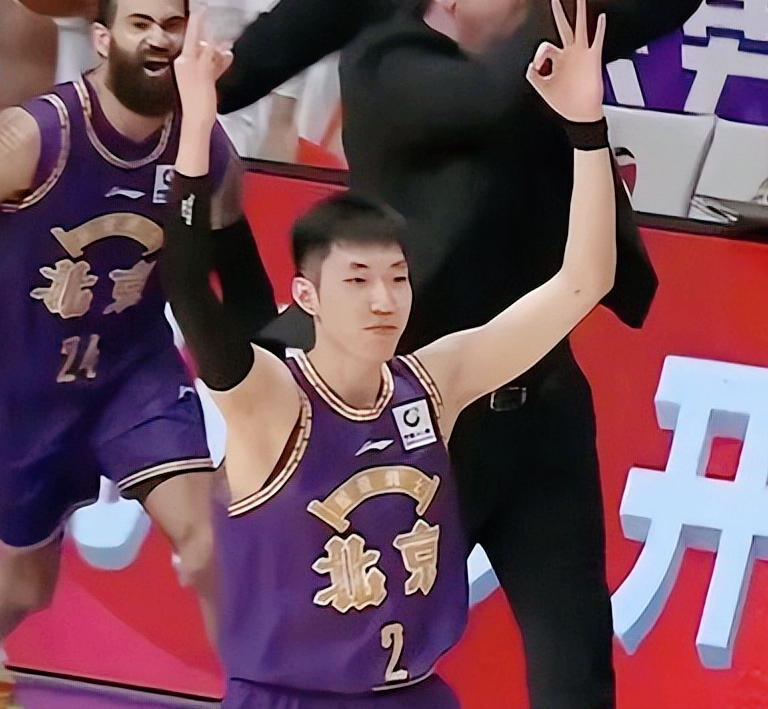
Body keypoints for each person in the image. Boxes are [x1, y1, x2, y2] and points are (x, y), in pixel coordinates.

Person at [213, 0, 701, 705]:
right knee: (352, 651)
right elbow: (485, 98)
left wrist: (578, 92)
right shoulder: (387, 61)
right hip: (423, 417)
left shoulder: (550, 28)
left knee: (576, 675)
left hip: (544, 408)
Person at [0, 0, 274, 704]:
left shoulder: (207, 151)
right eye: (139, 23)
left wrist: (270, 382)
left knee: (212, 540)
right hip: (19, 382)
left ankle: (253, 694)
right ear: (101, 38)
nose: (157, 40)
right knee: (26, 585)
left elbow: (232, 267)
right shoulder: (37, 134)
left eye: (172, 25)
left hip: (132, 370)